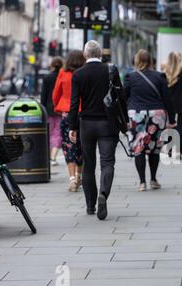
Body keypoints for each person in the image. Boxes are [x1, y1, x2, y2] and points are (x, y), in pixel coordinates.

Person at [68, 40, 126, 220]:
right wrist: (126, 121)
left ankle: (90, 206)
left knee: (88, 165)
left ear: (85, 55)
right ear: (100, 54)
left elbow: (74, 103)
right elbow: (121, 97)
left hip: (86, 124)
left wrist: (72, 127)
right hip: (107, 124)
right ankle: (103, 194)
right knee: (107, 162)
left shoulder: (78, 74)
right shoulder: (110, 71)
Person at [124, 49, 176, 192]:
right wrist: (172, 119)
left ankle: (142, 182)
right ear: (151, 61)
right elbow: (167, 99)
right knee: (154, 148)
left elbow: (123, 97)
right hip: (156, 116)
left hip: (136, 115)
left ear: (137, 61)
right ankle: (153, 179)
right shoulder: (160, 76)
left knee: (138, 147)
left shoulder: (130, 77)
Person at [53, 51, 85, 192]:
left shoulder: (63, 73)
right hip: (83, 114)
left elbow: (56, 94)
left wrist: (58, 107)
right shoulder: (84, 73)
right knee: (82, 146)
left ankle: (72, 179)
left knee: (68, 146)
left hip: (67, 114)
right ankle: (79, 175)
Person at [41, 56, 64, 166]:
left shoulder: (47, 78)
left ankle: (48, 156)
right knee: (58, 132)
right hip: (60, 108)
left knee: (49, 132)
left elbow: (43, 96)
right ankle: (53, 157)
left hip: (48, 110)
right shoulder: (62, 77)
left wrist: (43, 108)